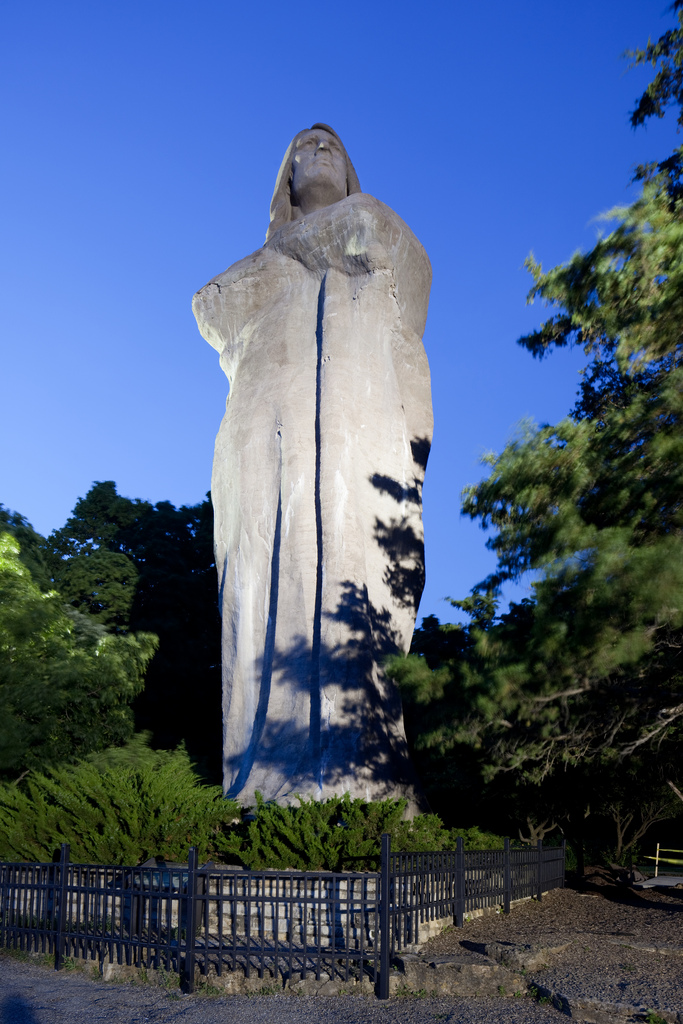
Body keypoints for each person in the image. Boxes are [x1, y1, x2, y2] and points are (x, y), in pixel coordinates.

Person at [193, 124, 433, 810]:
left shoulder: (369, 223)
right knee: (263, 589)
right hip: (266, 442)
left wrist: (287, 257)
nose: (318, 153)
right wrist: (294, 259)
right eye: (303, 149)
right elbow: (209, 307)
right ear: (284, 180)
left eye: (330, 147)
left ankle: (353, 781)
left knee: (348, 582)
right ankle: (262, 788)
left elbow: (373, 238)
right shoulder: (266, 270)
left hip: (355, 437)